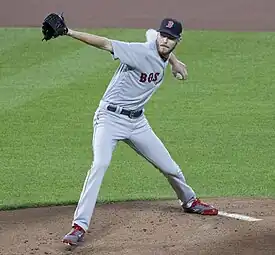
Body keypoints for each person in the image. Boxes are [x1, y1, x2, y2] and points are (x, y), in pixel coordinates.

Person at [61, 18, 218, 246]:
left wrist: (174, 62)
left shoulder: (159, 45)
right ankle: (79, 226)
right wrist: (69, 31)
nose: (164, 40)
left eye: (170, 38)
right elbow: (105, 43)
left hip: (137, 122)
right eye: (163, 35)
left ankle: (190, 201)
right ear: (159, 36)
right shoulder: (139, 52)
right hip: (110, 118)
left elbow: (154, 37)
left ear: (177, 41)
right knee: (100, 164)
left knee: (170, 167)